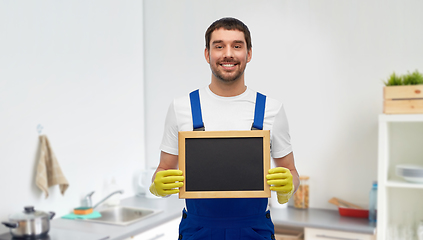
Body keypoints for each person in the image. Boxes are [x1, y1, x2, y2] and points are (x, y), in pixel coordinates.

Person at [150, 17, 300, 240]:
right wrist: (157, 186)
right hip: (198, 230)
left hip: (254, 230)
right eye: (219, 46)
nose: (228, 54)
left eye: (237, 46)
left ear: (248, 54)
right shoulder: (181, 108)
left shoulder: (271, 109)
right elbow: (163, 169)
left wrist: (289, 185)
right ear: (207, 54)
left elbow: (292, 172)